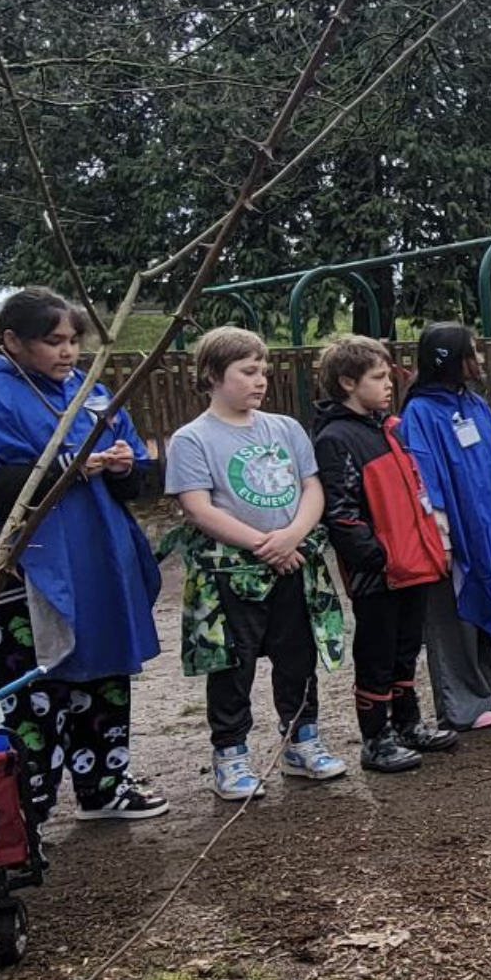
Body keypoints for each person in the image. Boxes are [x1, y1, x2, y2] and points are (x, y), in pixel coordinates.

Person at [0, 286, 167, 821]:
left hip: (99, 565)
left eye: (73, 341)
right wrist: (65, 468)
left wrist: (125, 465)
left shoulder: (90, 393)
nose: (68, 352)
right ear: (12, 341)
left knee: (103, 674)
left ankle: (104, 785)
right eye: (53, 341)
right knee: (32, 687)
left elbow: (135, 476)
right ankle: (24, 806)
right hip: (27, 573)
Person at [165, 325, 350, 800]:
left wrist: (292, 537)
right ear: (212, 375)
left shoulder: (285, 428)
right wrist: (262, 544)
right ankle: (230, 753)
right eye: (247, 371)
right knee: (232, 663)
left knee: (298, 655)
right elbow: (198, 506)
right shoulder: (192, 439)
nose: (260, 380)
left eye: (263, 370)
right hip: (231, 574)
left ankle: (301, 739)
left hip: (292, 565)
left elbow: (312, 487)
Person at [311, 335, 459, 774]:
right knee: (376, 654)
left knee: (405, 647)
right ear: (347, 383)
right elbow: (341, 512)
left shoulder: (390, 428)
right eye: (377, 377)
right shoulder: (336, 439)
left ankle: (408, 723)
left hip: (413, 564)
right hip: (381, 573)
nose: (389, 384)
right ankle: (375, 737)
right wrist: (378, 558)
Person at [398, 323, 491, 728]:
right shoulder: (420, 412)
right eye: (469, 354)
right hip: (457, 536)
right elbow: (425, 475)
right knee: (455, 616)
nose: (477, 361)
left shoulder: (474, 405)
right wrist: (441, 535)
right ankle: (464, 704)